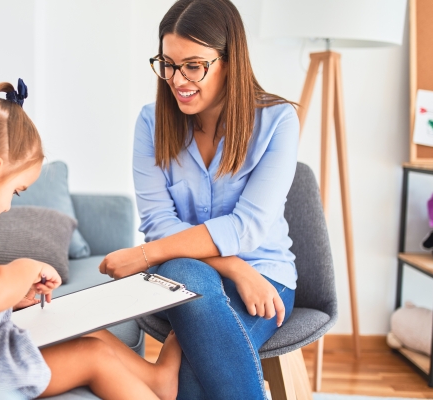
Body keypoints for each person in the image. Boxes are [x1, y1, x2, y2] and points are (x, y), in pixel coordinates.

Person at [0, 80, 183, 400]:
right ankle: (156, 384)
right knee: (95, 358)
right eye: (16, 190)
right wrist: (25, 268)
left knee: (78, 324)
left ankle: (156, 378)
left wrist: (14, 298)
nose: (9, 205)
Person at [98, 1, 299, 398]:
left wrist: (143, 255)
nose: (177, 79)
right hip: (195, 275)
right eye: (168, 64)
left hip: (266, 279)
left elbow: (248, 228)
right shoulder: (150, 122)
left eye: (193, 65)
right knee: (189, 275)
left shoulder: (278, 121)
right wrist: (236, 269)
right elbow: (159, 222)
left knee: (191, 380)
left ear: (230, 61)